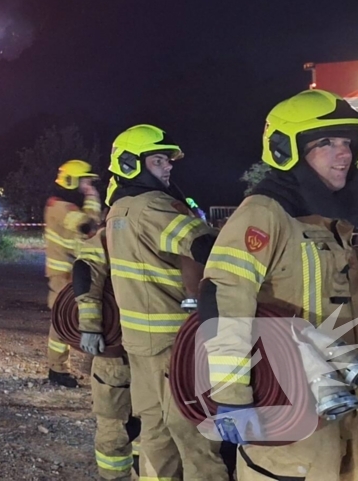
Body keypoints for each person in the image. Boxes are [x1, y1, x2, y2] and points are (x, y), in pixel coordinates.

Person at [201, 89, 358, 480]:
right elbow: (224, 300)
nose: (344, 154)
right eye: (325, 143)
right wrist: (233, 397)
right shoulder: (265, 214)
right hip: (287, 412)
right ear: (286, 149)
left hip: (344, 403)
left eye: (347, 143)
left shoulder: (330, 221)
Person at [104, 124, 227, 481]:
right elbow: (204, 247)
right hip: (174, 341)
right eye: (158, 160)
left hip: (140, 341)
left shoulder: (119, 210)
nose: (168, 167)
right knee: (195, 431)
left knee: (155, 430)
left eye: (168, 160)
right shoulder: (154, 206)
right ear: (131, 164)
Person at [75, 228, 140, 480]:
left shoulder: (110, 233)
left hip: (118, 350)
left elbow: (86, 270)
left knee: (116, 422)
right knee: (153, 425)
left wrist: (90, 327)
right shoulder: (171, 220)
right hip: (153, 349)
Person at [44, 159, 102, 387]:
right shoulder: (59, 205)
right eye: (85, 180)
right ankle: (57, 370)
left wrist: (90, 197)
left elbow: (91, 223)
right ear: (72, 181)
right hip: (64, 275)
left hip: (73, 273)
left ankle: (58, 369)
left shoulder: (68, 204)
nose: (88, 184)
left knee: (69, 320)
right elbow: (88, 226)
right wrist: (92, 196)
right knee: (62, 322)